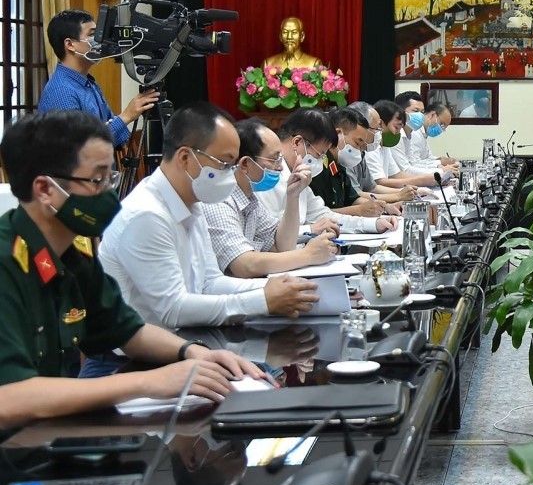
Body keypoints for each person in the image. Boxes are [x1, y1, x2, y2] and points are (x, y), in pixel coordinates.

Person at [0, 110, 264, 428]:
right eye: (97, 180)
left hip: (47, 431)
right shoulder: (7, 262)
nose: (110, 194)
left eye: (111, 177)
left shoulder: (74, 250)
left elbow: (128, 331)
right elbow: (10, 397)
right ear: (45, 190)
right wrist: (147, 383)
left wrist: (194, 353)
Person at [100, 103, 320, 333]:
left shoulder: (192, 204)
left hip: (183, 341)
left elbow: (210, 282)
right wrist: (263, 300)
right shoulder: (147, 214)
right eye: (225, 163)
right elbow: (173, 309)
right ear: (185, 158)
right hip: (131, 361)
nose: (232, 172)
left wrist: (286, 289)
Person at [201, 119, 338, 278]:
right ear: (245, 163)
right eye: (274, 159)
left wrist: (293, 196)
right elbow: (244, 265)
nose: (280, 167)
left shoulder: (250, 200)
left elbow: (282, 246)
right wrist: (309, 255)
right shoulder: (219, 200)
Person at [259, 108, 397, 234]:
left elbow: (322, 215)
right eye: (320, 154)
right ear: (297, 142)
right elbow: (268, 235)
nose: (322, 161)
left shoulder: (299, 176)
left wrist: (373, 224)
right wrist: (310, 230)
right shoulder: (267, 177)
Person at [38, 9, 160, 149]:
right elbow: (80, 148)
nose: (100, 40)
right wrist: (126, 116)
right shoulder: (62, 91)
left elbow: (112, 134)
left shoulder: (88, 83)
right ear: (70, 44)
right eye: (92, 34)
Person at [308, 107, 399, 230]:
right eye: (358, 143)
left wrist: (383, 207)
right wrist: (359, 210)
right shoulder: (315, 165)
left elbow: (353, 198)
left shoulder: (339, 163)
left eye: (362, 146)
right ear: (338, 134)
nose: (360, 150)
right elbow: (316, 214)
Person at [344, 101, 417, 207]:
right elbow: (356, 195)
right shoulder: (347, 153)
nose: (380, 132)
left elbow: (372, 187)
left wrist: (404, 193)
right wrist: (397, 196)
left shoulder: (362, 152)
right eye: (377, 128)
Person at [366, 100, 446, 189]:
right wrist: (422, 180)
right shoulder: (371, 147)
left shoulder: (385, 145)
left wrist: (427, 179)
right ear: (380, 124)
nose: (397, 133)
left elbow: (396, 175)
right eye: (396, 127)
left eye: (400, 129)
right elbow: (379, 182)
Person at [408, 103, 457, 171]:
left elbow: (427, 157)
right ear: (432, 115)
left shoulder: (424, 134)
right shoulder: (415, 133)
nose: (441, 130)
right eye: (442, 125)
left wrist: (439, 159)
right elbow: (414, 164)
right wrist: (440, 164)